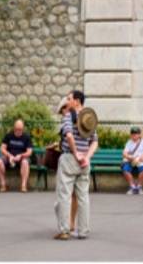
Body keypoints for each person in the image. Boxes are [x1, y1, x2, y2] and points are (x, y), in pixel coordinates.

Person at [54, 90, 97, 240]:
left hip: (69, 158)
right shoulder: (89, 117)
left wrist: (76, 152)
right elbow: (95, 142)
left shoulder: (69, 116)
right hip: (84, 162)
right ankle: (83, 230)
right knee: (83, 196)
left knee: (64, 194)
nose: (67, 101)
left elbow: (69, 135)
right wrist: (87, 157)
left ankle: (64, 230)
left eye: (69, 98)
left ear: (77, 101)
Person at [0, 119, 34, 193]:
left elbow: (29, 152)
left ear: (23, 129)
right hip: (9, 157)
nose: (18, 131)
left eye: (20, 129)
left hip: (21, 158)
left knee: (25, 162)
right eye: (17, 129)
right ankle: (3, 184)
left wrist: (21, 155)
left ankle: (23, 185)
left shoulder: (26, 137)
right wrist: (9, 155)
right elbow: (2, 148)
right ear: (14, 128)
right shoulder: (9, 136)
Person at [121, 127, 143, 195]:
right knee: (125, 169)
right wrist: (129, 157)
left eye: (136, 134)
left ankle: (139, 187)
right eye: (132, 134)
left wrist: (142, 156)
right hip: (132, 160)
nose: (134, 135)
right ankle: (132, 187)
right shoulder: (129, 142)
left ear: (139, 135)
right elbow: (124, 153)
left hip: (141, 160)